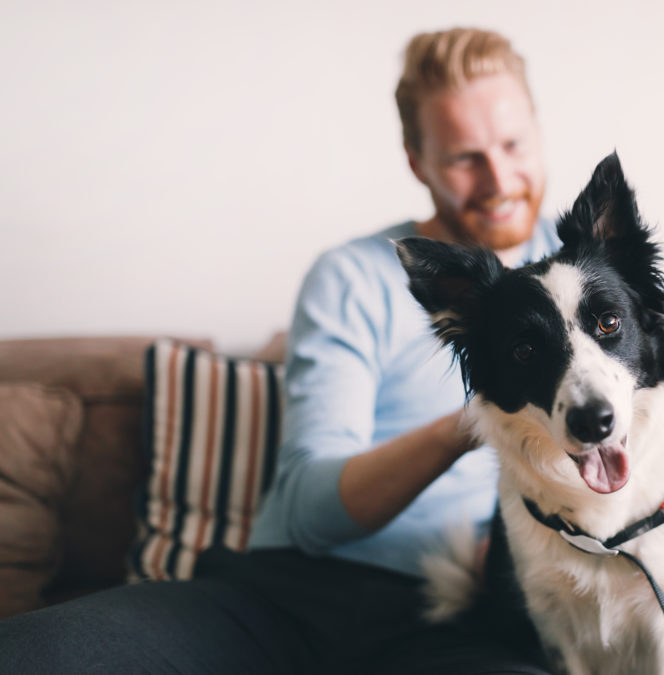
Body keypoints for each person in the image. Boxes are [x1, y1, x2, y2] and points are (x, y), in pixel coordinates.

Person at [0, 27, 559, 674]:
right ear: (416, 161)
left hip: (460, 622)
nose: (498, 178)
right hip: (286, 598)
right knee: (39, 654)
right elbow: (311, 509)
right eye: (465, 157)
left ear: (539, 131)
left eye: (514, 144)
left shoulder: (591, 280)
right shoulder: (354, 276)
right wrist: (476, 418)